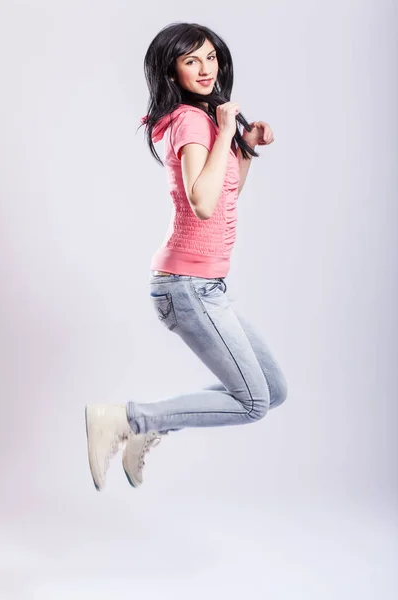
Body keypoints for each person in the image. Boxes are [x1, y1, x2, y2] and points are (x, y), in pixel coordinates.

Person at [85, 22, 288, 492]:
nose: (205, 68)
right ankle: (128, 419)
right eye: (190, 60)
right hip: (187, 285)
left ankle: (149, 424)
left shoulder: (198, 118)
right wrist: (222, 132)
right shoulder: (193, 121)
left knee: (272, 392)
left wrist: (246, 150)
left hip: (205, 285)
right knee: (253, 402)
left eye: (211, 57)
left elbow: (222, 198)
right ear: (171, 70)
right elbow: (201, 201)